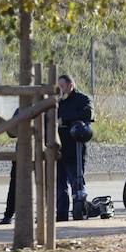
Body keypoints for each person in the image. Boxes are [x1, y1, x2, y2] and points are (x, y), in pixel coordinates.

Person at [54, 73, 93, 219]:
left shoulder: (82, 99)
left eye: (62, 86)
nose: (60, 90)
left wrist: (64, 120)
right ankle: (61, 214)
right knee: (60, 185)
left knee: (76, 182)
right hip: (58, 148)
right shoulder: (56, 102)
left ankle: (79, 211)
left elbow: (88, 113)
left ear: (71, 86)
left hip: (74, 149)